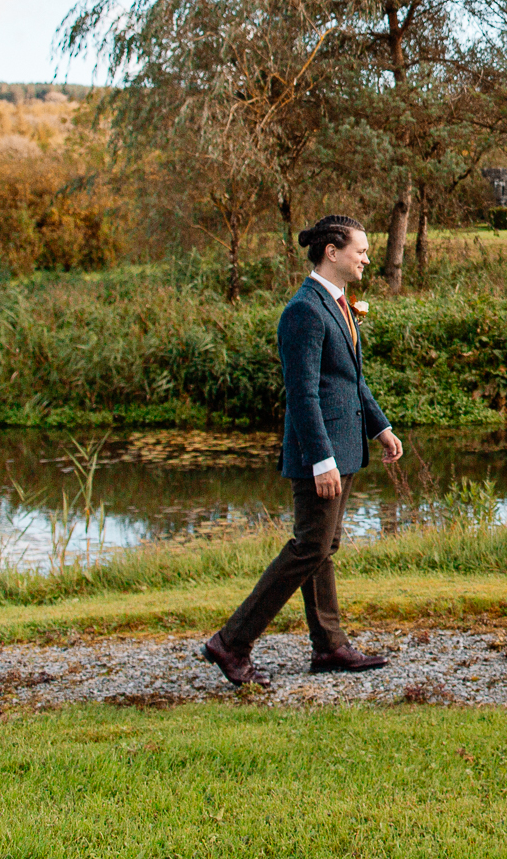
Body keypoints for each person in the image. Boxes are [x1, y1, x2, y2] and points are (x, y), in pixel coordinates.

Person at [201, 215, 404, 685]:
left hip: (346, 445)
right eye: (361, 250)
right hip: (323, 453)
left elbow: (349, 379)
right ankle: (231, 643)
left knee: (322, 547)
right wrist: (322, 460)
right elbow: (303, 394)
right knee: (309, 546)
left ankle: (329, 647)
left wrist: (381, 428)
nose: (367, 258)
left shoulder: (336, 304)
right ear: (331, 252)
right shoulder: (304, 311)